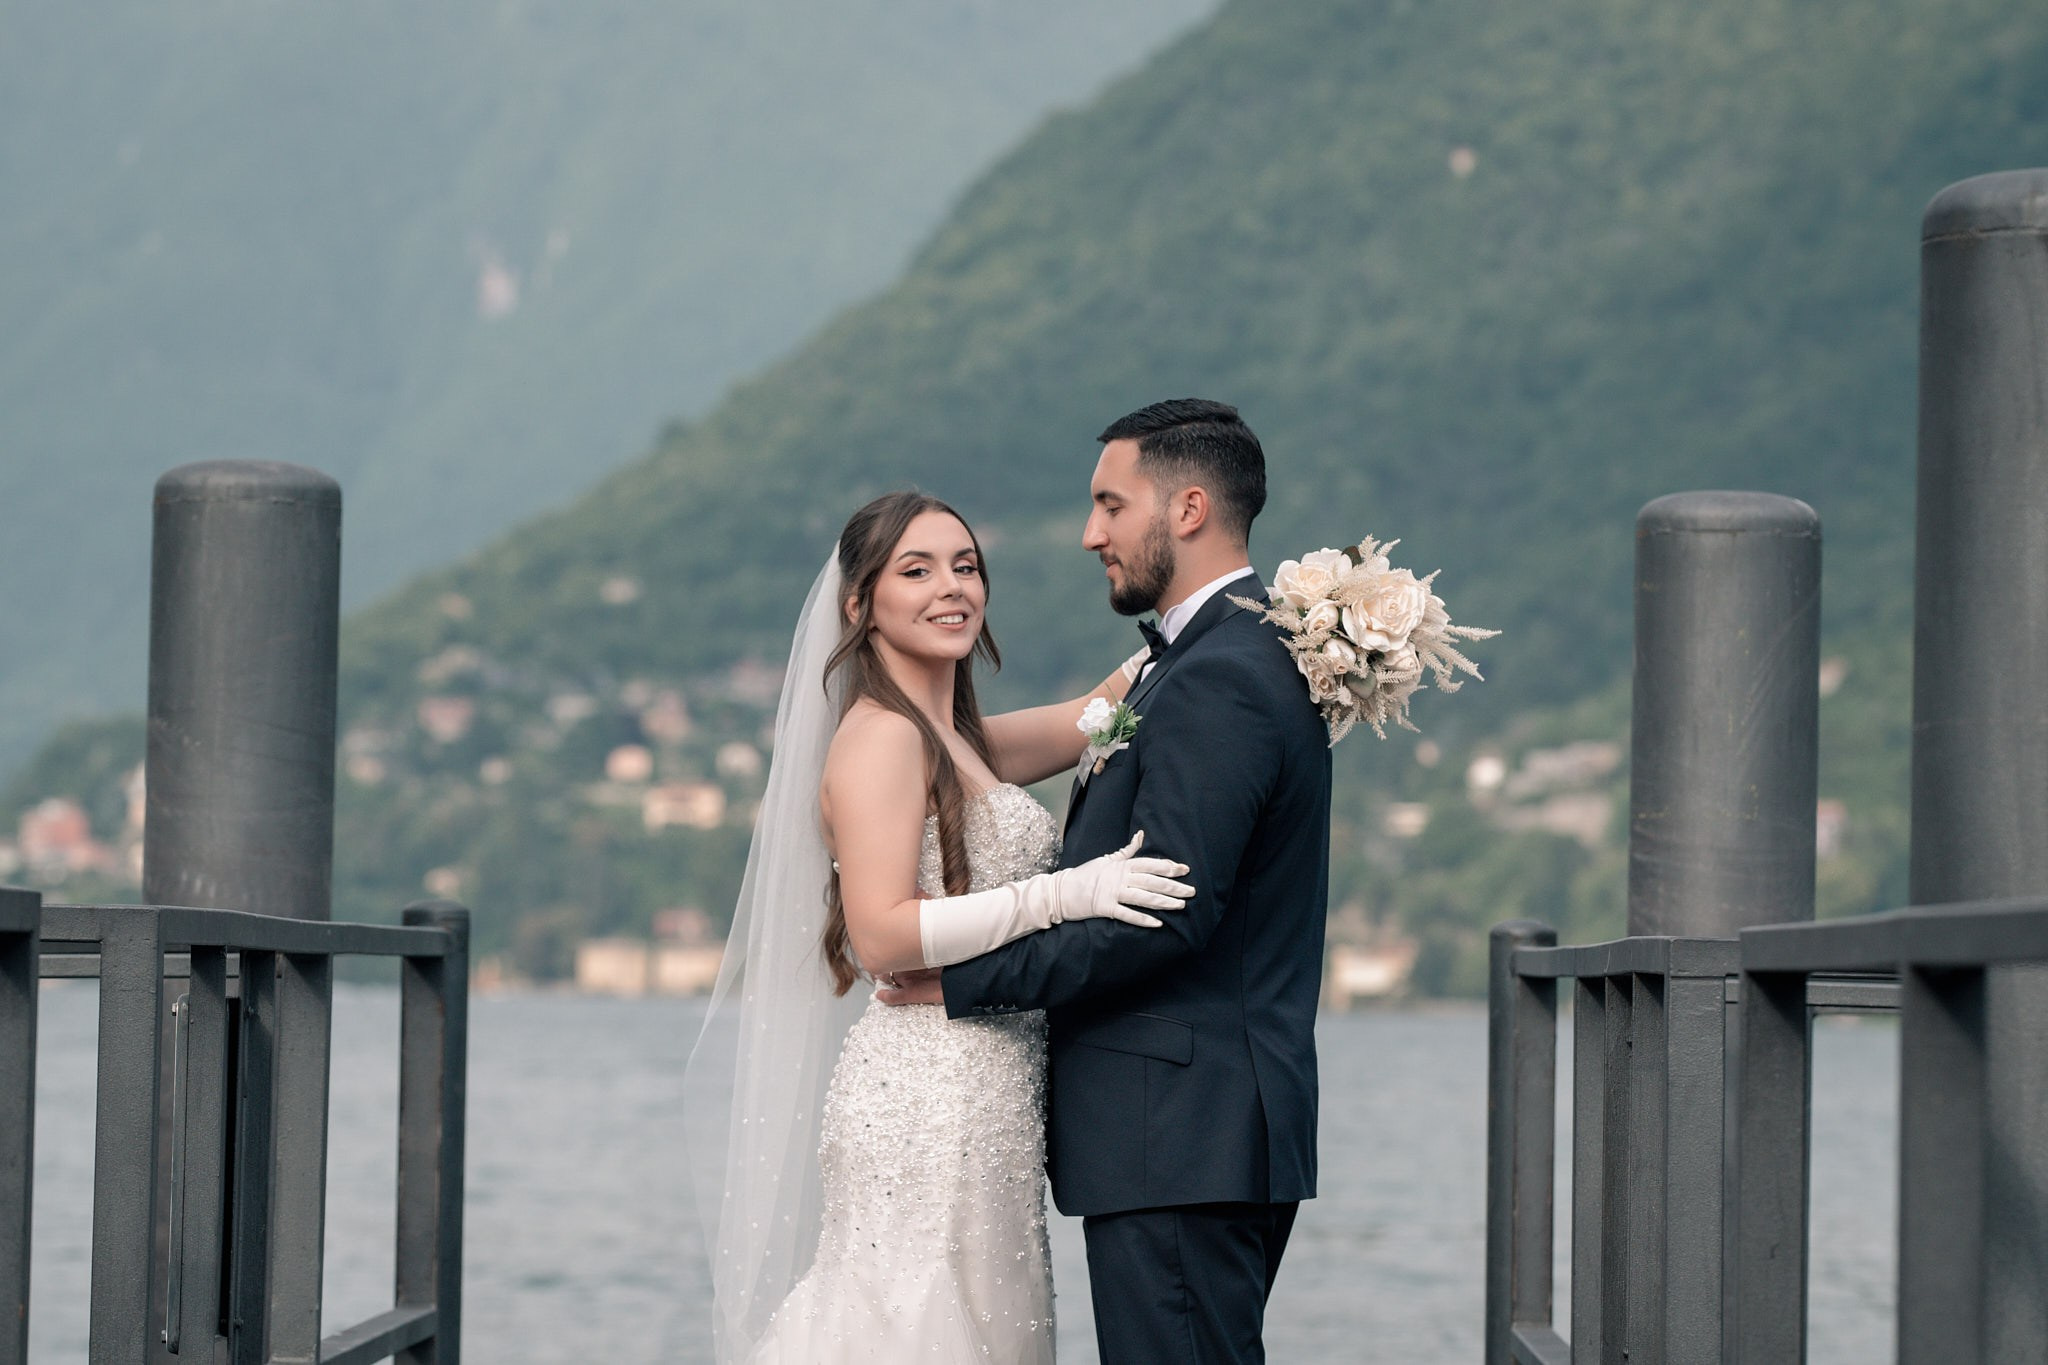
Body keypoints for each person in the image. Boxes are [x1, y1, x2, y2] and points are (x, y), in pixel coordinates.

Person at [690, 489, 1195, 1364]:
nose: (950, 587)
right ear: (861, 604)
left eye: (966, 566)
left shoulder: (959, 739)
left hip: (990, 1087)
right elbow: (882, 934)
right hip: (927, 1095)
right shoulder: (882, 736)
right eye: (916, 570)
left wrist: (1277, 621)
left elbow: (1099, 710)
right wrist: (1067, 895)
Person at [883, 399, 1333, 1364]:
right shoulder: (1189, 666)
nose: (1091, 534)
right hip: (1187, 1134)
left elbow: (1160, 915)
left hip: (1180, 1134)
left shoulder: (1220, 675)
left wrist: (961, 981)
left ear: (1188, 508)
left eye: (1109, 505)